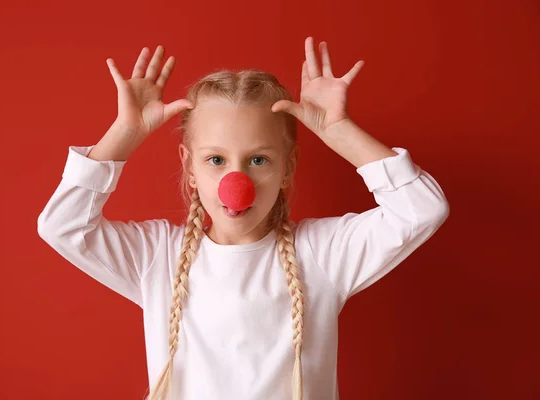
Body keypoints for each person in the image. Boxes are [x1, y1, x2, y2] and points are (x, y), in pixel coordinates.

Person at [37, 37, 450, 400]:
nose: (238, 182)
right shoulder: (156, 257)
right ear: (190, 168)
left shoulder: (322, 254)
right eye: (216, 159)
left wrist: (338, 130)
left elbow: (421, 209)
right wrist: (125, 134)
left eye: (258, 159)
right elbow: (63, 226)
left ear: (288, 168)